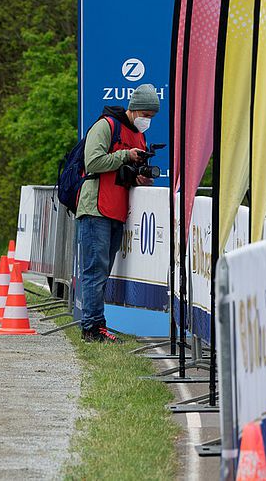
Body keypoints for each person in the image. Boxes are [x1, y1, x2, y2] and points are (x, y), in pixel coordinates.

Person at [75, 83, 159, 343]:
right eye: (145, 114)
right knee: (95, 270)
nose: (147, 120)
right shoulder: (106, 126)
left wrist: (139, 180)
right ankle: (91, 327)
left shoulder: (140, 137)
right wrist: (125, 155)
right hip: (95, 208)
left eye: (152, 117)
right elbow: (94, 162)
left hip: (116, 210)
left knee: (103, 271)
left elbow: (124, 174)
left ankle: (97, 325)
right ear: (133, 109)